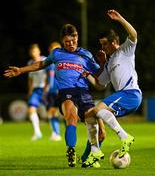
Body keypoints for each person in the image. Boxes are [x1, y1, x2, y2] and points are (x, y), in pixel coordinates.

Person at [4, 24, 104, 168]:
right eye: (67, 41)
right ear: (63, 41)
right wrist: (21, 70)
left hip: (83, 92)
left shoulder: (85, 54)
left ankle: (86, 157)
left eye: (73, 40)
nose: (70, 44)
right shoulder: (57, 53)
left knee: (95, 126)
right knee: (71, 116)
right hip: (66, 91)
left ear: (77, 37)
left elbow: (100, 73)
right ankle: (71, 149)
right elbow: (40, 64)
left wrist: (102, 62)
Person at [82, 9, 142, 166]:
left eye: (105, 44)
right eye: (101, 44)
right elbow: (100, 85)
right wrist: (86, 73)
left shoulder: (125, 50)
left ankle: (124, 137)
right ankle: (95, 153)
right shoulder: (109, 63)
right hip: (124, 97)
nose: (103, 48)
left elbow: (134, 35)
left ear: (114, 41)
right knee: (90, 113)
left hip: (131, 94)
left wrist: (120, 18)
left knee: (98, 108)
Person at [27, 43, 47, 141]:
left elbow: (49, 75)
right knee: (31, 109)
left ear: (39, 51)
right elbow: (30, 79)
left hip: (45, 89)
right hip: (35, 90)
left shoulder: (45, 60)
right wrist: (30, 91)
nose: (33, 53)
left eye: (35, 50)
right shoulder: (30, 62)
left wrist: (47, 88)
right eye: (32, 51)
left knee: (51, 112)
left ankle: (56, 133)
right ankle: (37, 132)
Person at [44, 41, 62, 141]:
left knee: (57, 112)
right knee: (52, 112)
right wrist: (46, 88)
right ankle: (56, 133)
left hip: (59, 90)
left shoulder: (61, 62)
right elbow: (48, 77)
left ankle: (57, 133)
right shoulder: (49, 63)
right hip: (52, 91)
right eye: (54, 49)